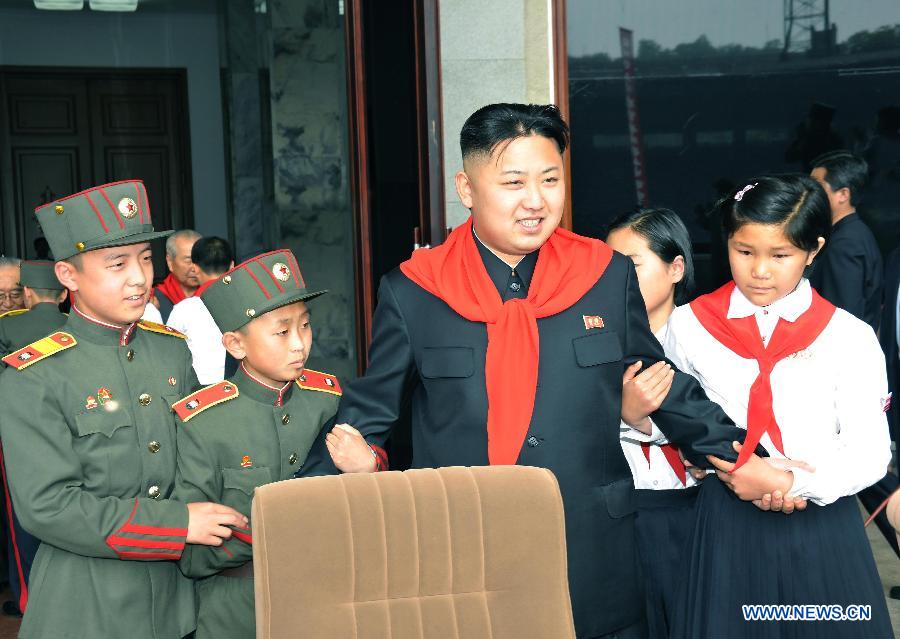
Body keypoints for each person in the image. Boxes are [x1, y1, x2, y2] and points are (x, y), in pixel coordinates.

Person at [327, 103, 788, 639]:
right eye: (514, 182)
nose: (535, 200)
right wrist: (286, 509)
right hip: (464, 546)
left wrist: (746, 458)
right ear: (467, 188)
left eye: (550, 179)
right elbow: (368, 412)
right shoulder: (413, 290)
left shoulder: (603, 274)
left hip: (591, 551)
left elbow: (661, 384)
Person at [0, 180, 248, 639]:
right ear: (68, 276)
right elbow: (48, 507)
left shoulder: (171, 352)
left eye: (146, 258)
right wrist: (179, 523)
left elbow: (200, 457)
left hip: (181, 604)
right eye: (118, 263)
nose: (139, 277)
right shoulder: (33, 375)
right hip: (88, 608)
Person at [665, 175, 893, 638]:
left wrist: (791, 480)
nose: (760, 270)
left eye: (780, 255)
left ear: (813, 251)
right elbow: (674, 420)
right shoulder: (688, 326)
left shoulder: (848, 336)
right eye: (744, 251)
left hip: (821, 519)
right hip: (727, 520)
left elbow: (871, 452)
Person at [172, 248, 380, 638]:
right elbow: (193, 553)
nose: (299, 343)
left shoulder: (330, 399)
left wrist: (369, 469)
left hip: (326, 600)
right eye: (282, 331)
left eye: (305, 325)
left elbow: (373, 510)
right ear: (235, 344)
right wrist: (283, 528)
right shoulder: (203, 423)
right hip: (237, 610)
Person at [606, 207, 703, 639]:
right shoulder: (598, 337)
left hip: (693, 508)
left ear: (676, 267)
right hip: (620, 511)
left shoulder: (707, 337)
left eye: (632, 265)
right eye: (611, 267)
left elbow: (718, 417)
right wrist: (625, 412)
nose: (619, 278)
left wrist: (633, 416)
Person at [0, 260, 68, 617]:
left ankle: (30, 598)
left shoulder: (8, 328)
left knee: (22, 517)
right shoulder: (76, 327)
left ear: (26, 293)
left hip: (18, 434)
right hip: (74, 431)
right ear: (64, 293)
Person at [809, 150, 882, 331]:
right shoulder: (855, 232)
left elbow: (844, 314)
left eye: (817, 186)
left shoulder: (844, 243)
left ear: (843, 194)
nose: (810, 194)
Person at [167, 237, 235, 384]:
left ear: (195, 268)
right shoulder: (250, 302)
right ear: (232, 266)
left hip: (200, 394)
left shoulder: (183, 310)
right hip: (241, 390)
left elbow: (170, 357)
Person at [154, 229, 202, 322]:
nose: (195, 268)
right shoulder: (155, 299)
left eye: (200, 260)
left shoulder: (214, 295)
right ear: (170, 262)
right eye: (188, 261)